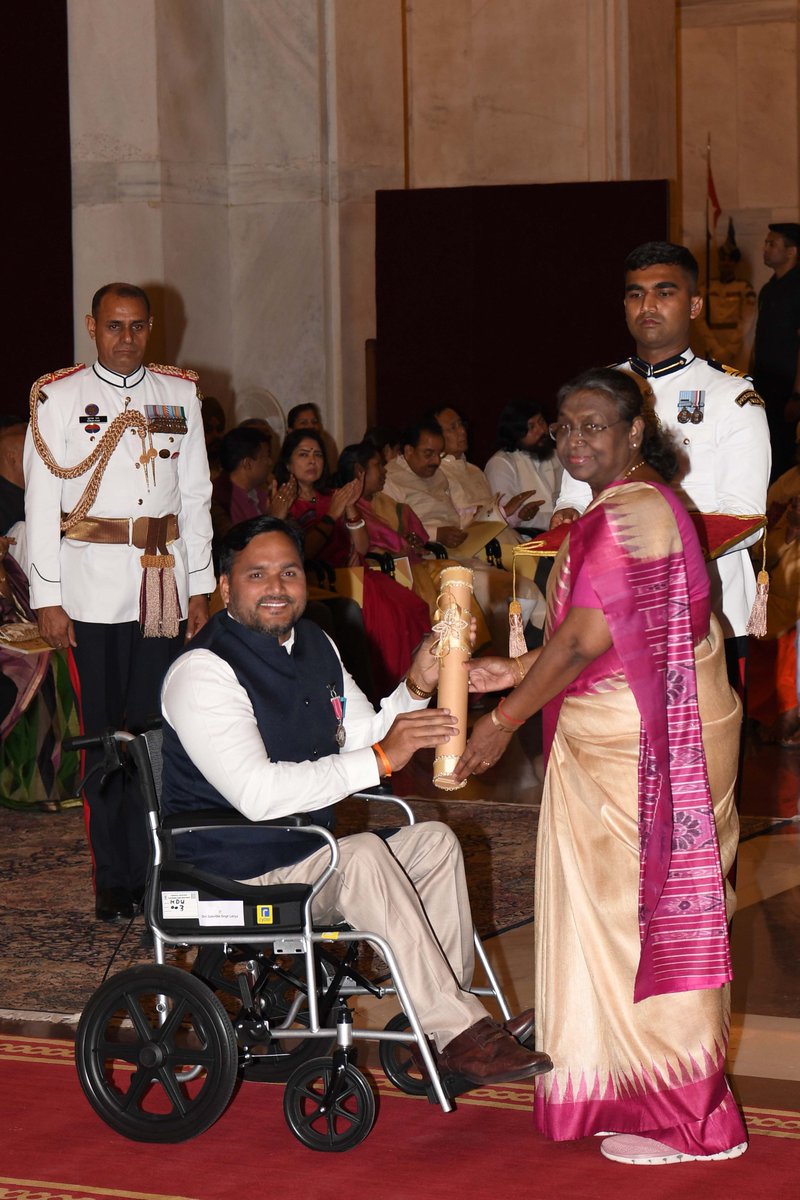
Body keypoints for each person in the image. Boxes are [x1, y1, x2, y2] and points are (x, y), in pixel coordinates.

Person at [456, 367, 747, 1165]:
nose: (575, 440)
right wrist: (510, 672)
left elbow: (587, 642)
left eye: (594, 427)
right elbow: (604, 629)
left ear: (631, 435)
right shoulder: (628, 507)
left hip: (639, 741)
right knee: (631, 916)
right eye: (566, 426)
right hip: (642, 722)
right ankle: (646, 1092)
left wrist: (501, 723)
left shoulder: (630, 515)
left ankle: (687, 1115)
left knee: (645, 915)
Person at [160, 514, 552, 1087]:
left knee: (434, 841)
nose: (276, 588)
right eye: (257, 575)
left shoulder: (314, 644)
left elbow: (366, 735)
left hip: (303, 856)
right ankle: (461, 1031)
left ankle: (443, 1028)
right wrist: (382, 759)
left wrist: (415, 687)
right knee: (366, 853)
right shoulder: (204, 670)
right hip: (231, 873)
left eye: (289, 573)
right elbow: (257, 794)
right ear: (225, 587)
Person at [23, 282, 215, 921]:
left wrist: (200, 585)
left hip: (160, 581)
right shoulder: (59, 397)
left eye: (136, 326)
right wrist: (48, 595)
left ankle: (157, 867)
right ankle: (115, 875)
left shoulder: (178, 393)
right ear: (91, 326)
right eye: (114, 326)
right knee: (104, 736)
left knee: (157, 730)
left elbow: (195, 499)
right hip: (89, 591)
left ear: (151, 327)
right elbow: (41, 503)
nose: (126, 338)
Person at [552, 241, 770, 690]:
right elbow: (573, 496)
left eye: (664, 292)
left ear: (693, 305)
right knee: (614, 745)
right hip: (605, 609)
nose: (647, 305)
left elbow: (746, 518)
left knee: (708, 751)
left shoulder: (731, 397)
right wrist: (566, 516)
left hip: (707, 607)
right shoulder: (594, 395)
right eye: (635, 294)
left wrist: (657, 551)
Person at [271, 429, 431, 699]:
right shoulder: (285, 503)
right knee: (384, 613)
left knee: (413, 606)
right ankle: (382, 690)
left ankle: (417, 684)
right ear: (288, 463)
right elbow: (303, 552)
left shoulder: (333, 495)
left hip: (355, 574)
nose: (312, 461)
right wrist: (334, 512)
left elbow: (362, 546)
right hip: (319, 580)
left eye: (318, 455)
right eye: (303, 455)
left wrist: (350, 506)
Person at [383, 421, 545, 649]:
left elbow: (458, 520)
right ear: (408, 451)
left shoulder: (439, 475)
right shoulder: (390, 479)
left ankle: (516, 655)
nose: (435, 461)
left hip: (460, 551)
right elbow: (393, 529)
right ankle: (497, 656)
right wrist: (437, 534)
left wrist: (497, 517)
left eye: (438, 454)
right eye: (428, 454)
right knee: (492, 590)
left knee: (523, 588)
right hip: (427, 560)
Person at [336, 440, 491, 646]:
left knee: (452, 571)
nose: (384, 471)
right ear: (359, 471)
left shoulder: (384, 501)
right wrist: (402, 544)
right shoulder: (344, 503)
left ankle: (468, 645)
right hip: (383, 570)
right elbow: (375, 543)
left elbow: (410, 537)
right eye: (378, 465)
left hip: (407, 564)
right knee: (428, 587)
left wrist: (412, 541)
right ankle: (440, 648)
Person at [429, 404, 538, 532]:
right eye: (453, 428)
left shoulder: (475, 471)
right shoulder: (435, 473)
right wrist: (504, 511)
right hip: (470, 549)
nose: (463, 431)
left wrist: (518, 516)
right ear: (435, 436)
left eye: (461, 424)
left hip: (499, 542)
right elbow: (455, 525)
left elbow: (494, 523)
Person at [752, 222, 800, 481]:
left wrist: (797, 394)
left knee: (785, 454)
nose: (765, 249)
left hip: (788, 389)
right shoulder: (769, 289)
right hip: (765, 384)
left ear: (791, 251)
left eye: (772, 244)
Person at [484, 401, 563, 532]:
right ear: (516, 433)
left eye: (542, 422)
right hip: (526, 540)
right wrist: (557, 520)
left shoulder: (556, 455)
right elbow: (505, 515)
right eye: (532, 427)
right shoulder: (501, 463)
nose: (542, 430)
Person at [692, 222, 756, 375]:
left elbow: (747, 320)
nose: (725, 263)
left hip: (737, 349)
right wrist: (713, 346)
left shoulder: (744, 288)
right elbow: (698, 317)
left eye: (729, 260)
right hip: (711, 344)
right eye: (722, 259)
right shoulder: (706, 288)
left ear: (735, 263)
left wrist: (730, 349)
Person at [210, 425, 273, 543]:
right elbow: (235, 546)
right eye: (266, 456)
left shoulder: (262, 492)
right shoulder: (218, 500)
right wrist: (274, 518)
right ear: (248, 463)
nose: (270, 462)